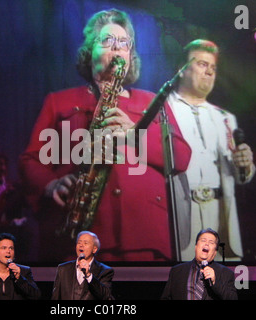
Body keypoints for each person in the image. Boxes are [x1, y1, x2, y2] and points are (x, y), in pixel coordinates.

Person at [19, 8, 191, 262]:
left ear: (131, 56)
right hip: (78, 239)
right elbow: (30, 160)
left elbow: (182, 156)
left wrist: (135, 136)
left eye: (124, 43)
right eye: (107, 41)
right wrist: (50, 184)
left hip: (146, 238)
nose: (117, 48)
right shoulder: (59, 102)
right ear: (90, 53)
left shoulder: (152, 102)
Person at [165, 39, 256, 261]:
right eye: (202, 64)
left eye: (213, 67)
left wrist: (245, 166)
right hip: (182, 215)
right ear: (182, 69)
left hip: (221, 216)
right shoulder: (163, 111)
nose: (209, 72)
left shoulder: (225, 118)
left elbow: (240, 177)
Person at [161, 228, 237, 300]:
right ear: (196, 247)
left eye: (211, 242)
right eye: (203, 240)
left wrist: (215, 282)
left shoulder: (226, 273)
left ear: (215, 252)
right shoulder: (177, 271)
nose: (206, 244)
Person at [0, 233, 41, 300]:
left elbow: (36, 296)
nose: (8, 251)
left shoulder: (24, 271)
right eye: (4, 248)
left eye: (11, 248)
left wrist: (19, 278)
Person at [52, 231, 114, 300]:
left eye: (85, 243)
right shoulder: (63, 269)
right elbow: (55, 297)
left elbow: (105, 296)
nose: (81, 245)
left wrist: (88, 275)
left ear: (94, 249)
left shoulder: (104, 271)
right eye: (79, 242)